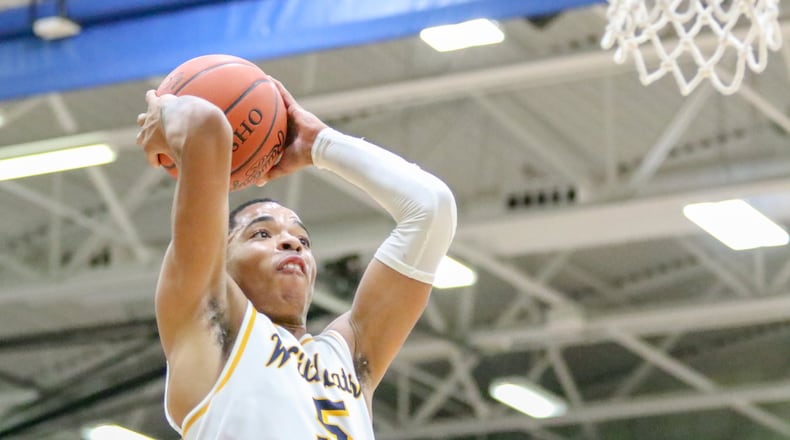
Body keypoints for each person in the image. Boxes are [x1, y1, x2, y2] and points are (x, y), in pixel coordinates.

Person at [135, 76, 457, 439]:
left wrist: (319, 144)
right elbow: (206, 126)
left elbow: (432, 210)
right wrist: (167, 109)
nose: (291, 243)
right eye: (262, 233)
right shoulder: (209, 326)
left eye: (302, 239)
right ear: (218, 257)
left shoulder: (348, 357)